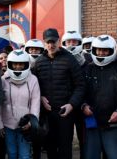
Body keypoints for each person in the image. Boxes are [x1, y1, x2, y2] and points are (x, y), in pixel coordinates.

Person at [32, 28, 85, 159]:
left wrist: (71, 105)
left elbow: (81, 86)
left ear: (59, 41)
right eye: (48, 42)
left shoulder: (70, 59)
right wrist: (41, 97)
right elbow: (33, 86)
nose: (51, 45)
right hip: (47, 113)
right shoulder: (38, 62)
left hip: (65, 113)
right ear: (44, 43)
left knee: (65, 149)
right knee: (50, 148)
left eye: (54, 41)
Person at [83, 35, 117, 159]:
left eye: (105, 50)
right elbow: (81, 92)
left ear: (112, 50)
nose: (101, 53)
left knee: (114, 156)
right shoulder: (88, 69)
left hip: (114, 124)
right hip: (92, 123)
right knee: (91, 156)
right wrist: (84, 106)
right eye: (98, 50)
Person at [0, 49, 40, 159]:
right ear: (9, 64)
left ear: (27, 64)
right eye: (15, 64)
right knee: (11, 153)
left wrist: (32, 122)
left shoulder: (33, 80)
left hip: (25, 125)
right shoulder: (3, 80)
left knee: (25, 155)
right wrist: (0, 124)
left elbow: (35, 103)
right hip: (8, 125)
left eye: (21, 64)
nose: (17, 67)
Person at [61, 30, 88, 159]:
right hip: (66, 104)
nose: (71, 44)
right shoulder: (60, 58)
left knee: (84, 139)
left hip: (82, 105)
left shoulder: (87, 59)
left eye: (74, 41)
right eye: (68, 41)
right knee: (65, 139)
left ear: (79, 43)